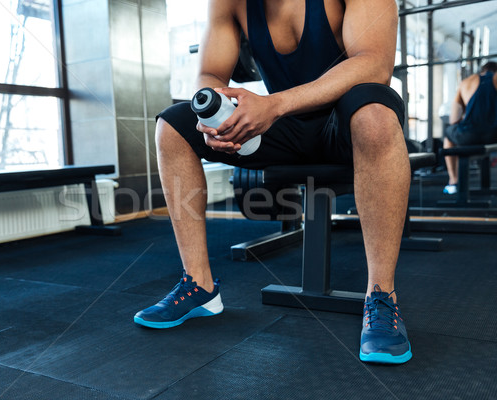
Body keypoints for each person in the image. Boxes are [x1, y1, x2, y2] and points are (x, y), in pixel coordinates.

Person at [134, 0, 413, 364]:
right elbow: (210, 74)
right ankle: (198, 284)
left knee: (375, 114)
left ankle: (381, 297)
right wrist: (215, 113)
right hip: (284, 126)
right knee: (172, 126)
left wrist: (275, 104)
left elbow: (374, 63)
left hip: (346, 119)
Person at [443, 61, 497, 194]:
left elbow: (453, 120)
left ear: (481, 70)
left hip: (469, 136)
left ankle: (453, 182)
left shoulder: (466, 82)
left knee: (448, 135)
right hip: (494, 135)